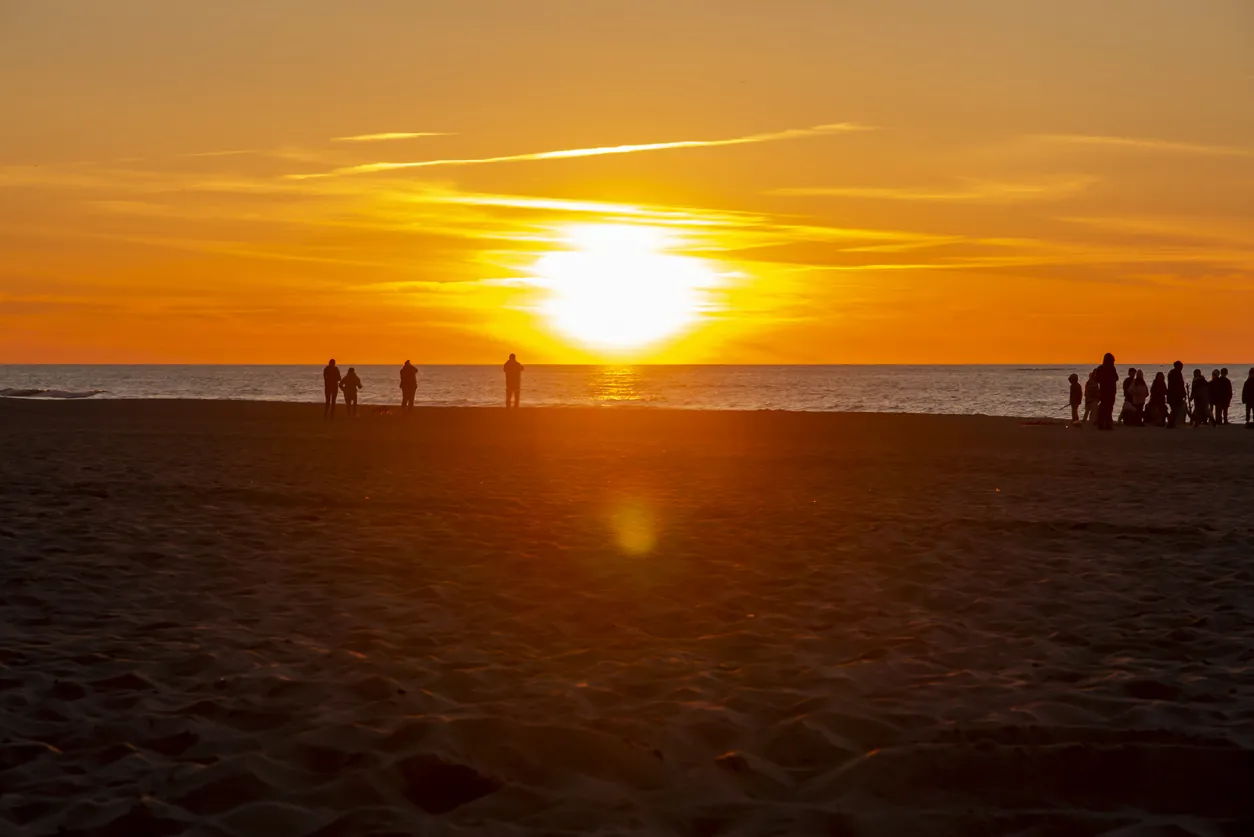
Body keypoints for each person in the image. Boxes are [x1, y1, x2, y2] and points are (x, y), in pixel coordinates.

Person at [1096, 353, 1119, 431]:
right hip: (1108, 390)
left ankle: (1103, 424)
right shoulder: (1110, 368)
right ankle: (1106, 424)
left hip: (1107, 390)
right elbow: (1116, 378)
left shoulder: (1101, 368)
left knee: (1105, 408)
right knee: (1107, 408)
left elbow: (1097, 379)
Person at [1166, 361, 1187, 429]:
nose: (1182, 368)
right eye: (1181, 366)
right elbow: (1178, 385)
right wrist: (1182, 392)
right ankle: (1170, 422)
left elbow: (1180, 384)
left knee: (1175, 409)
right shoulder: (1175, 374)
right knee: (1175, 409)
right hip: (1175, 395)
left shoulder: (1174, 373)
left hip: (1175, 395)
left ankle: (1171, 422)